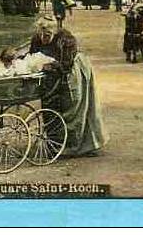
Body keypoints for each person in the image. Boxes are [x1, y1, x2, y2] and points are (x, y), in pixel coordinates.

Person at [29, 23, 108, 156]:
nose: (44, 37)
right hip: (53, 73)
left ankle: (80, 146)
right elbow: (32, 56)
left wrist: (51, 66)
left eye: (48, 35)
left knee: (74, 106)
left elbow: (66, 64)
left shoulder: (66, 40)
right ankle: (56, 142)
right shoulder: (36, 39)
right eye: (42, 34)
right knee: (50, 103)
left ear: (54, 32)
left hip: (74, 71)